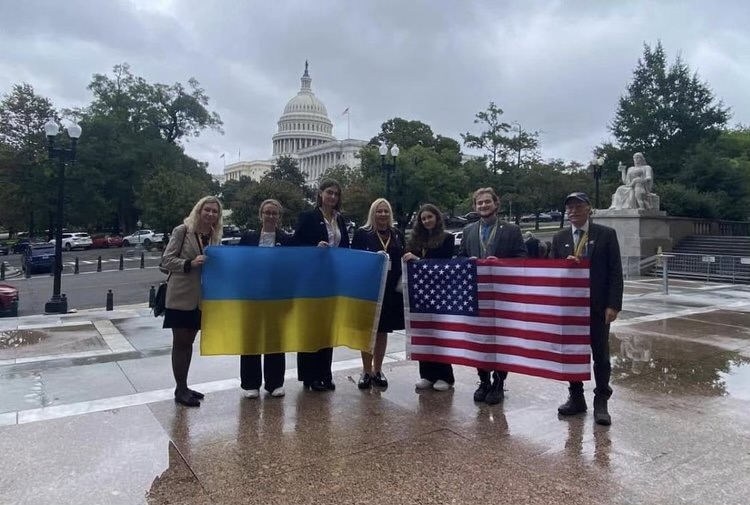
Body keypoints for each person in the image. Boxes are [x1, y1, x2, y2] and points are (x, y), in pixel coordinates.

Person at [551, 192, 623, 425]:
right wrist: (564, 265)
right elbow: (552, 271)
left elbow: (615, 271)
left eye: (578, 207)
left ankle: (601, 401)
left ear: (589, 208)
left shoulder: (606, 234)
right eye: (569, 208)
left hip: (597, 307)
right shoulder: (560, 237)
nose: (573, 211)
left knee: (600, 354)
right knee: (572, 353)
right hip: (571, 307)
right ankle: (576, 397)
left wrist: (613, 304)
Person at [458, 188, 527, 404]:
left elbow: (523, 258)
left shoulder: (511, 230)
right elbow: (459, 257)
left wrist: (503, 264)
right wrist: (466, 262)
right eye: (479, 203)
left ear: (496, 204)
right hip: (476, 293)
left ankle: (499, 381)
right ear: (475, 207)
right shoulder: (469, 230)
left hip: (502, 295)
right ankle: (483, 380)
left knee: (501, 339)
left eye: (487, 202)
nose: (483, 206)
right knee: (479, 338)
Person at [161, 196, 223, 407]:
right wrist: (190, 263)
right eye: (207, 210)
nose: (211, 214)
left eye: (215, 212)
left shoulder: (214, 235)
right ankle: (180, 389)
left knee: (189, 343)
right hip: (180, 294)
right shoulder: (183, 230)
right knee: (181, 343)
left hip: (201, 298)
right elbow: (166, 260)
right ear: (199, 210)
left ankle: (184, 386)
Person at [293, 179, 350, 392]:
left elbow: (345, 247)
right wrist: (314, 248)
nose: (333, 197)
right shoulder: (308, 217)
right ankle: (309, 375)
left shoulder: (340, 219)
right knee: (310, 326)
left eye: (336, 194)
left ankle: (325, 372)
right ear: (320, 194)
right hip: (311, 279)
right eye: (329, 193)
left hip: (332, 279)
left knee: (327, 327)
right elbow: (295, 244)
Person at [238, 199, 293, 399]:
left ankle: (275, 382)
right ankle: (251, 384)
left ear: (279, 217)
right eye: (267, 212)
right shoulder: (248, 238)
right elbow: (240, 264)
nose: (270, 216)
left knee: (275, 339)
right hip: (252, 296)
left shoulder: (286, 240)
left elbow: (292, 269)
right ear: (260, 215)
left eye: (274, 213)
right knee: (251, 338)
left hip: (277, 297)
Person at [351, 198, 405, 389]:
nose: (383, 215)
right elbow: (355, 261)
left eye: (386, 211)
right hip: (369, 288)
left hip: (390, 290)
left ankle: (378, 369)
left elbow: (402, 258)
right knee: (368, 331)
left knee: (383, 331)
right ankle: (366, 370)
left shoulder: (397, 234)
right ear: (372, 213)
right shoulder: (362, 234)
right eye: (379, 211)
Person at [402, 203, 456, 392]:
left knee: (439, 334)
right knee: (422, 333)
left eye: (429, 217)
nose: (426, 221)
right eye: (423, 218)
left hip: (440, 293)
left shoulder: (448, 238)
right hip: (419, 292)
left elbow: (444, 264)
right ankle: (427, 375)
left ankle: (445, 376)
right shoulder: (416, 240)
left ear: (437, 217)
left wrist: (418, 261)